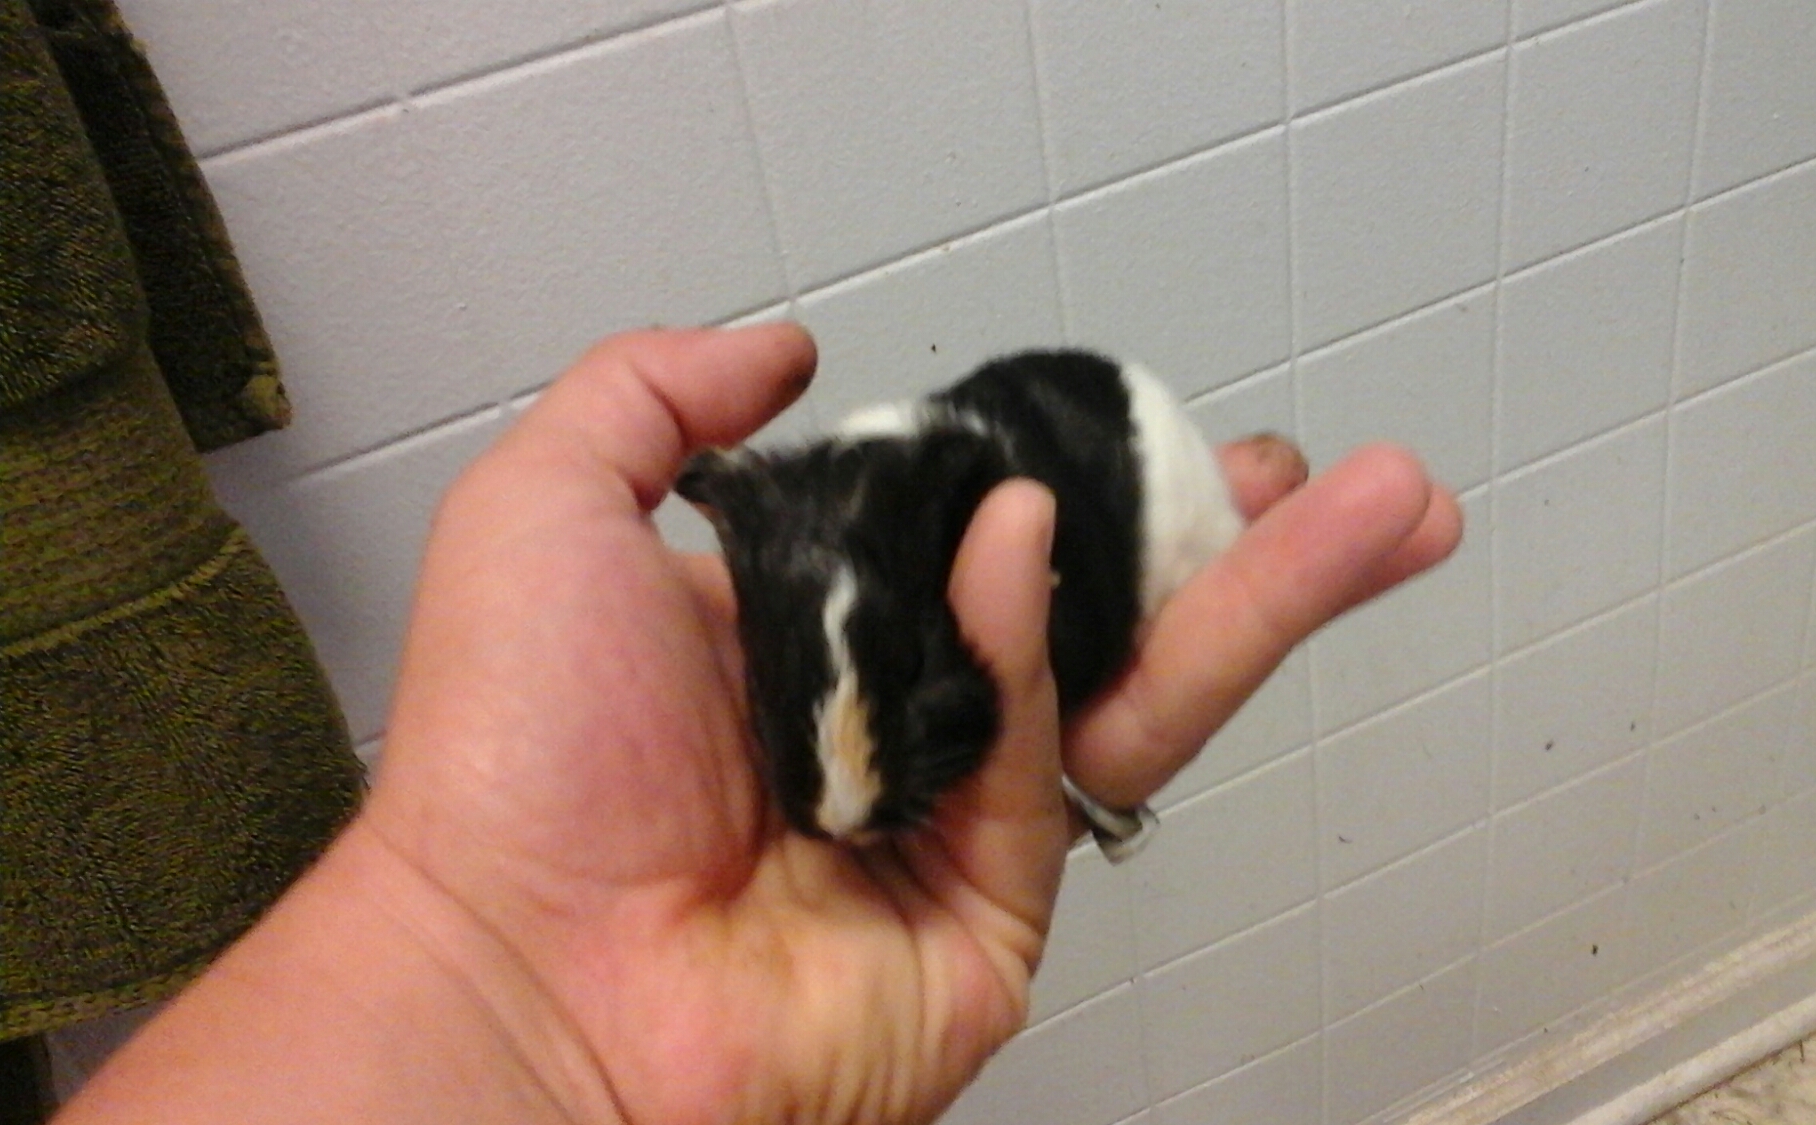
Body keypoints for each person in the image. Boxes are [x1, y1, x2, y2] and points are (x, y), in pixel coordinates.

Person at [55, 324, 1460, 1125]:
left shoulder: (1004, 518)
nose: (835, 817)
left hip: (1121, 470)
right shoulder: (791, 529)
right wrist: (495, 962)